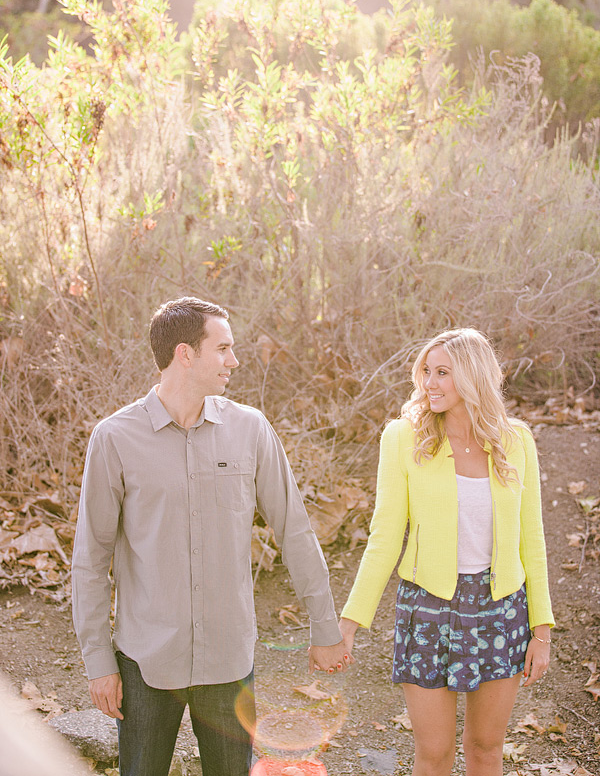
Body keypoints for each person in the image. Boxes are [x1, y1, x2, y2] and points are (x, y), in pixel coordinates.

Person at [71, 297, 352, 776]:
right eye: (222, 348)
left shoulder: (250, 430)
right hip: (145, 660)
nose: (234, 360)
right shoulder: (114, 438)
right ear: (185, 354)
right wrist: (99, 660)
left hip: (229, 659)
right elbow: (91, 560)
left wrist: (325, 627)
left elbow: (296, 532)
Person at [339, 328, 553, 776]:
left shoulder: (516, 442)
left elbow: (531, 540)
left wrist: (542, 631)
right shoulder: (403, 438)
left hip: (501, 610)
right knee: (434, 754)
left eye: (442, 373)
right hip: (427, 610)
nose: (429, 383)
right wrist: (348, 623)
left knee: (485, 749)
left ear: (474, 377)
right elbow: (383, 537)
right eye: (426, 372)